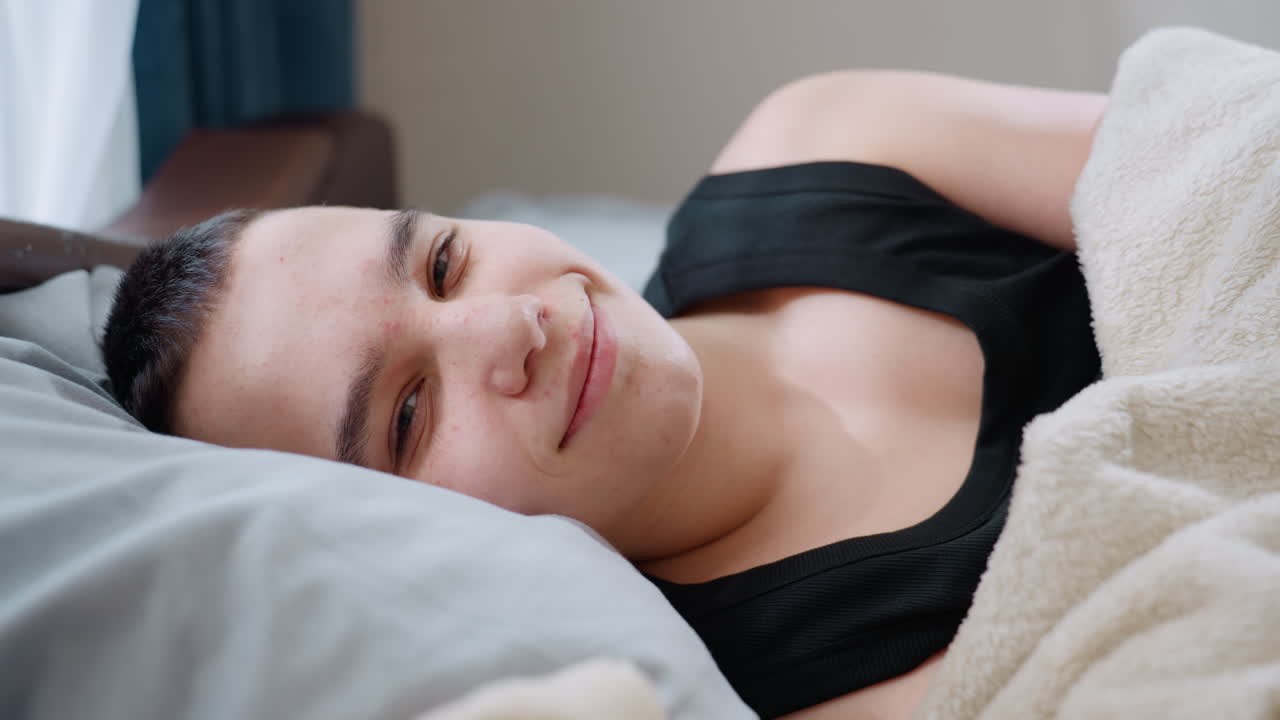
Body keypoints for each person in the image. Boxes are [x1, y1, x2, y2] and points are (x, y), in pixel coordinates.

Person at [102, 69, 1106, 719]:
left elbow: (1223, 162)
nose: (509, 328)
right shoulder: (801, 691)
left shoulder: (826, 143)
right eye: (408, 413)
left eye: (444, 262)